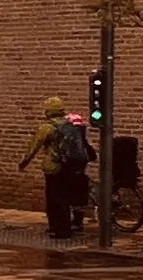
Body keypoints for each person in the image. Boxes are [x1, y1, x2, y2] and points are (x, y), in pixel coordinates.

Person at [25, 99, 94, 243]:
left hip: (54, 167)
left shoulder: (48, 127)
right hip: (69, 166)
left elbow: (35, 145)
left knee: (55, 198)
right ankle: (66, 226)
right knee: (66, 197)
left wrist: (24, 162)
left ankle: (59, 229)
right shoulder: (70, 125)